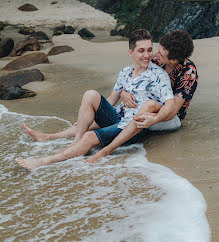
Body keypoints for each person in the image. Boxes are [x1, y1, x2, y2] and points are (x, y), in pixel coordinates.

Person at [16, 29, 176, 170]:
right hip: (118, 116)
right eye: (141, 51)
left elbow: (170, 103)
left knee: (89, 136)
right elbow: (111, 99)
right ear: (131, 52)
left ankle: (43, 162)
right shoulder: (125, 72)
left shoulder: (158, 76)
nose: (147, 55)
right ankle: (75, 144)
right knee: (90, 94)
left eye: (149, 50)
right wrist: (89, 114)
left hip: (133, 128)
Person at [85, 29, 198, 163]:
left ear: (173, 60)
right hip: (148, 106)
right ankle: (76, 134)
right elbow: (134, 78)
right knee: (118, 115)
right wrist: (123, 93)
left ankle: (106, 149)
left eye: (160, 54)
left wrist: (154, 120)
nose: (155, 55)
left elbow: (172, 111)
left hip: (169, 118)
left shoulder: (188, 72)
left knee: (139, 113)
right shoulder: (158, 59)